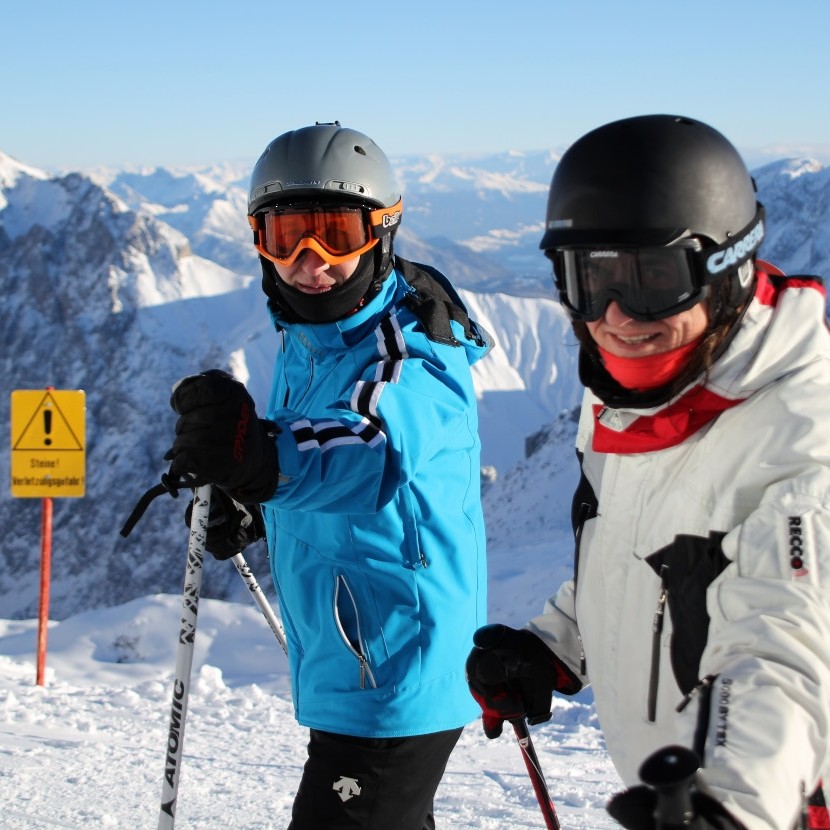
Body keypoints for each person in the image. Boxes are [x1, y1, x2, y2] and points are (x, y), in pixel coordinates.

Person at [465, 114, 830, 830]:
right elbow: (641, 549)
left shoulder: (803, 434)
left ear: (726, 269)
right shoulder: (628, 394)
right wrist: (556, 647)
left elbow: (785, 646)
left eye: (654, 279)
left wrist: (732, 802)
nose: (617, 317)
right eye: (590, 278)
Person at [163, 122, 493, 829]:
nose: (309, 262)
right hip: (359, 656)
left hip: (393, 663)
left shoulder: (412, 352)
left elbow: (370, 448)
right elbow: (323, 457)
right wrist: (258, 502)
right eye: (285, 237)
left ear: (382, 233)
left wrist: (263, 460)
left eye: (336, 235)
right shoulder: (310, 338)